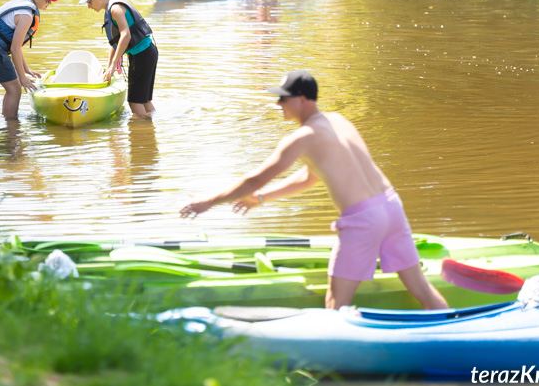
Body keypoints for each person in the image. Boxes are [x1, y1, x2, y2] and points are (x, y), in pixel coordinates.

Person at [180, 71, 448, 311]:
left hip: (364, 220)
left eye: (284, 99)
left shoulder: (302, 137)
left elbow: (255, 179)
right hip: (391, 207)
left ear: (303, 99)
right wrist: (261, 199)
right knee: (422, 291)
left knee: (336, 305)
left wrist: (208, 201)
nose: (278, 104)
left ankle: (337, 362)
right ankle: (451, 336)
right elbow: (309, 177)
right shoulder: (338, 121)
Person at [78, 0, 157, 116]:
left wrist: (114, 64)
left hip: (143, 54)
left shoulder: (115, 9)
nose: (89, 7)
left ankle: (142, 134)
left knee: (135, 102)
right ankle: (150, 127)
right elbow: (115, 43)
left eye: (89, 2)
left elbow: (126, 35)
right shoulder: (110, 9)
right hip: (144, 53)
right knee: (144, 101)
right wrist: (109, 68)